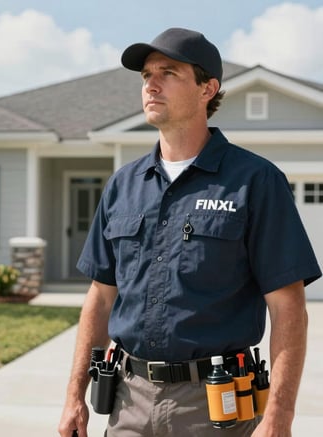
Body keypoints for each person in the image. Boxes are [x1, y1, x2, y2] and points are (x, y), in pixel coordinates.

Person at [58, 28, 322, 437]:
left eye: (168, 72)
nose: (151, 84)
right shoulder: (122, 187)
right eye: (146, 74)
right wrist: (75, 395)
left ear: (207, 88)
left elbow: (288, 308)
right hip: (128, 402)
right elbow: (101, 297)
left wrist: (279, 416)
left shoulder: (255, 182)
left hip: (217, 408)